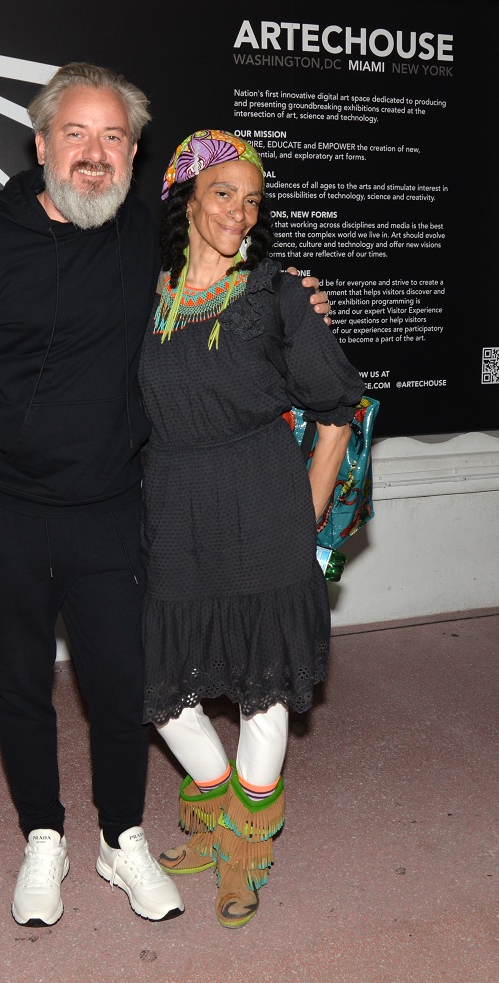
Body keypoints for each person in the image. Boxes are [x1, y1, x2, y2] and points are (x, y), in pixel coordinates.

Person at [0, 66, 330, 929]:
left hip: (112, 510)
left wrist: (300, 299)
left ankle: (121, 836)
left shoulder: (144, 240)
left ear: (135, 156)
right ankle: (42, 837)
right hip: (8, 516)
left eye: (113, 140)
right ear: (42, 144)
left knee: (121, 688)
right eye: (77, 134)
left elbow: (230, 271)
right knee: (21, 687)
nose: (95, 156)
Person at [138, 130, 365, 928]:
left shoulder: (277, 294)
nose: (240, 211)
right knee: (161, 683)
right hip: (172, 506)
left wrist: (301, 512)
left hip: (261, 497)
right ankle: (214, 799)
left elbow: (339, 410)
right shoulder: (150, 291)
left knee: (264, 689)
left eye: (252, 198)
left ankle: (246, 842)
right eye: (224, 193)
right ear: (187, 198)